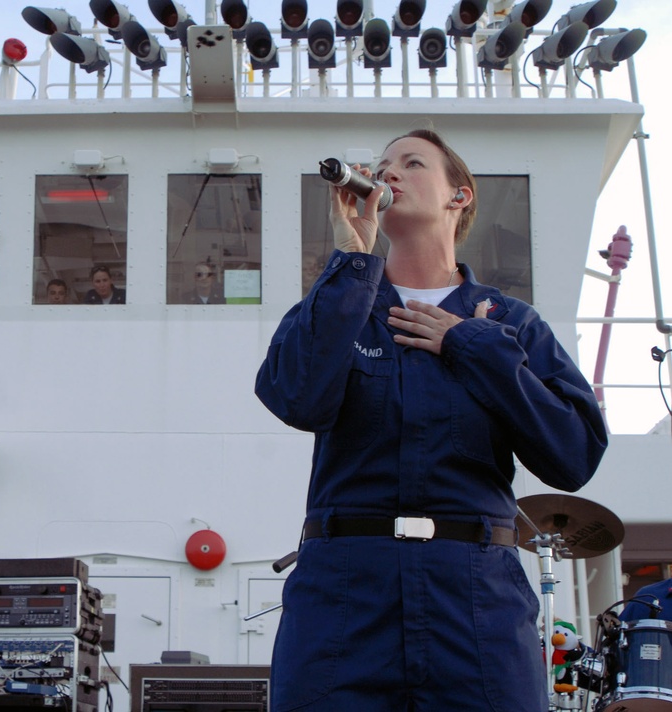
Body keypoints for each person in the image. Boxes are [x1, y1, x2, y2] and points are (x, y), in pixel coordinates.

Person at [254, 129, 607, 712]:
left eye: (412, 163)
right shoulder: (342, 300)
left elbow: (574, 454)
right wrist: (354, 261)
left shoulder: (511, 323)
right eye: (383, 164)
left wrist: (471, 345)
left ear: (458, 196)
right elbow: (295, 398)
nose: (388, 172)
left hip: (477, 600)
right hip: (343, 596)